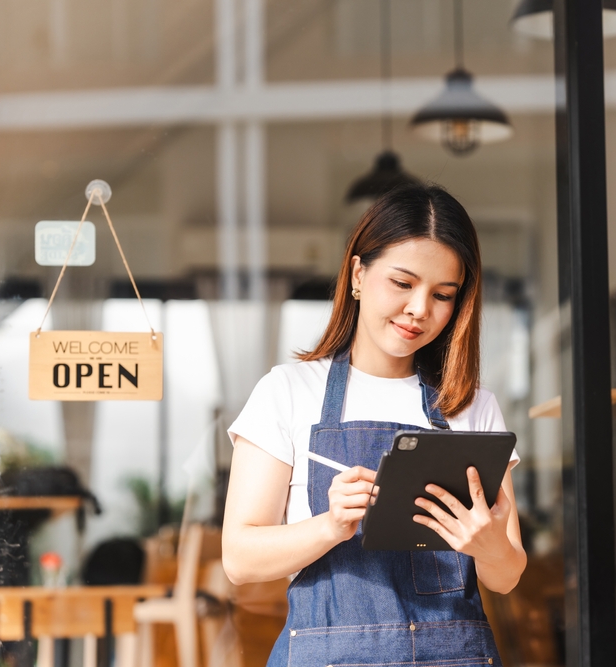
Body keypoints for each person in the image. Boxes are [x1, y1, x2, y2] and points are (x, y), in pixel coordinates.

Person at [222, 184, 527, 667]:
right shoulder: (287, 391)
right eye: (403, 284)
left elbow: (506, 574)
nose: (420, 310)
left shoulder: (471, 407)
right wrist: (331, 525)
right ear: (358, 273)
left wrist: (486, 545)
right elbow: (239, 560)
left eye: (442, 294)